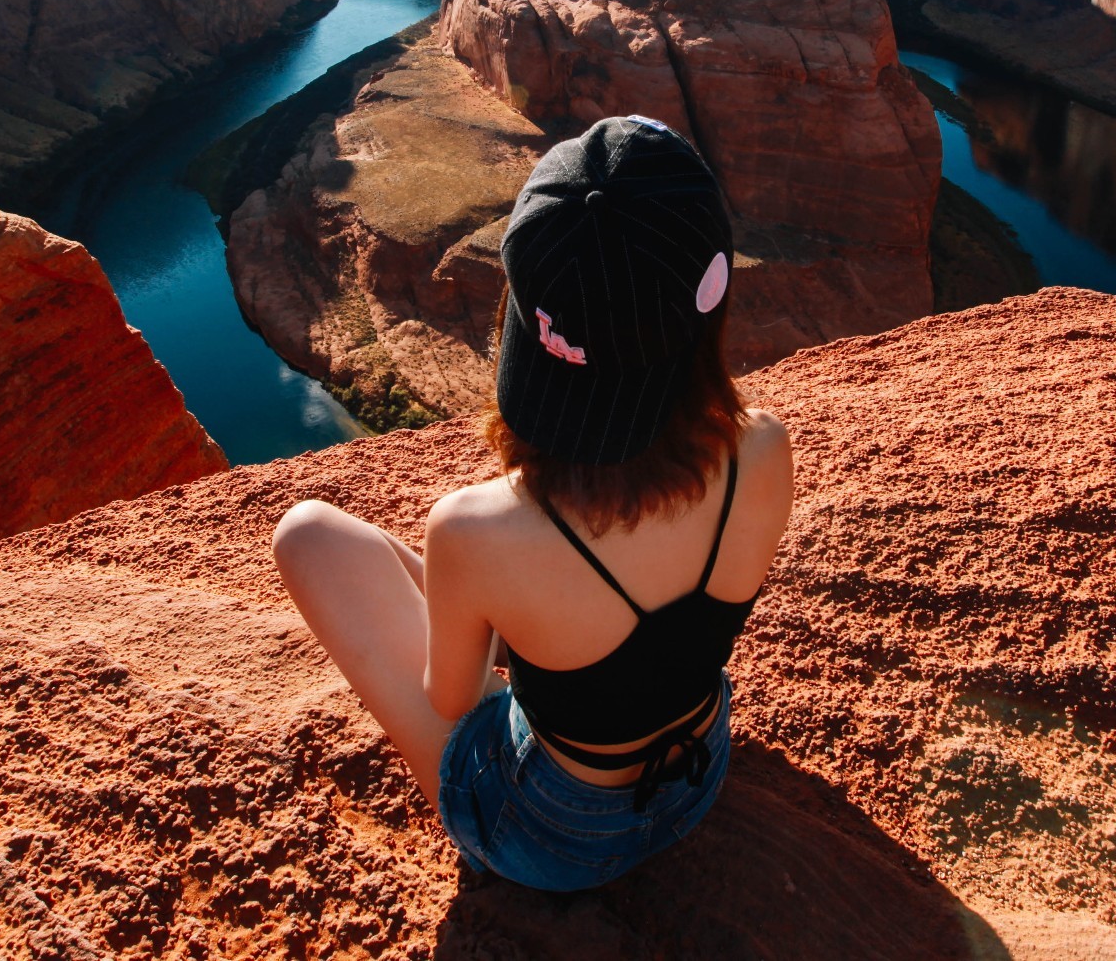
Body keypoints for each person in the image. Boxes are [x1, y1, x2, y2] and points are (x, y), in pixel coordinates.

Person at [272, 115, 794, 891]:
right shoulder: (763, 446)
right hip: (698, 767)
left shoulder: (476, 526)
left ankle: (533, 633)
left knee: (307, 532)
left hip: (557, 838)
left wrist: (502, 612)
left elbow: (451, 699)